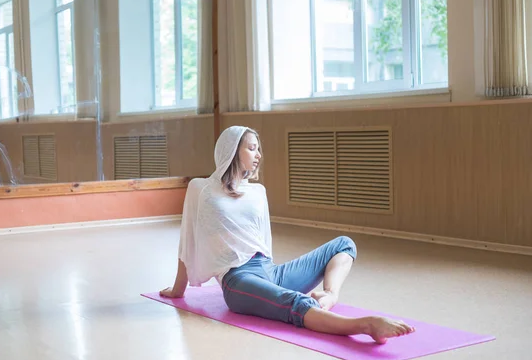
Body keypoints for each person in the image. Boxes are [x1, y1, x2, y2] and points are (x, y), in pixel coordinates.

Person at [160, 126, 415, 344]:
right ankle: (364, 325)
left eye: (259, 149)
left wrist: (289, 280)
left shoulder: (258, 191)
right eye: (251, 148)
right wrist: (178, 290)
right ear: (231, 149)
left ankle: (330, 295)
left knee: (344, 245)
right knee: (294, 302)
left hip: (269, 272)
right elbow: (188, 240)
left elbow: (262, 243)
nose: (258, 154)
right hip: (238, 280)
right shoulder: (201, 188)